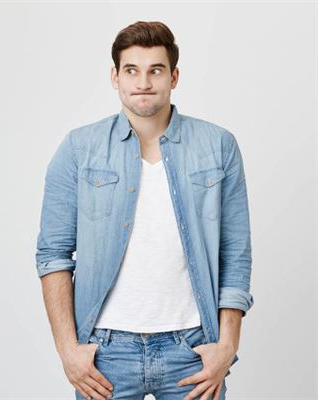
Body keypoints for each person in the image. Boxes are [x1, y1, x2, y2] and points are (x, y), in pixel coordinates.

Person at [35, 21, 254, 400]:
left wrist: (227, 345)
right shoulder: (79, 149)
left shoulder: (218, 145)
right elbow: (53, 254)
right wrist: (68, 349)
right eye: (132, 70)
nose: (143, 82)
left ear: (174, 76)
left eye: (156, 70)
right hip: (105, 353)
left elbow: (235, 252)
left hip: (192, 349)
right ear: (115, 77)